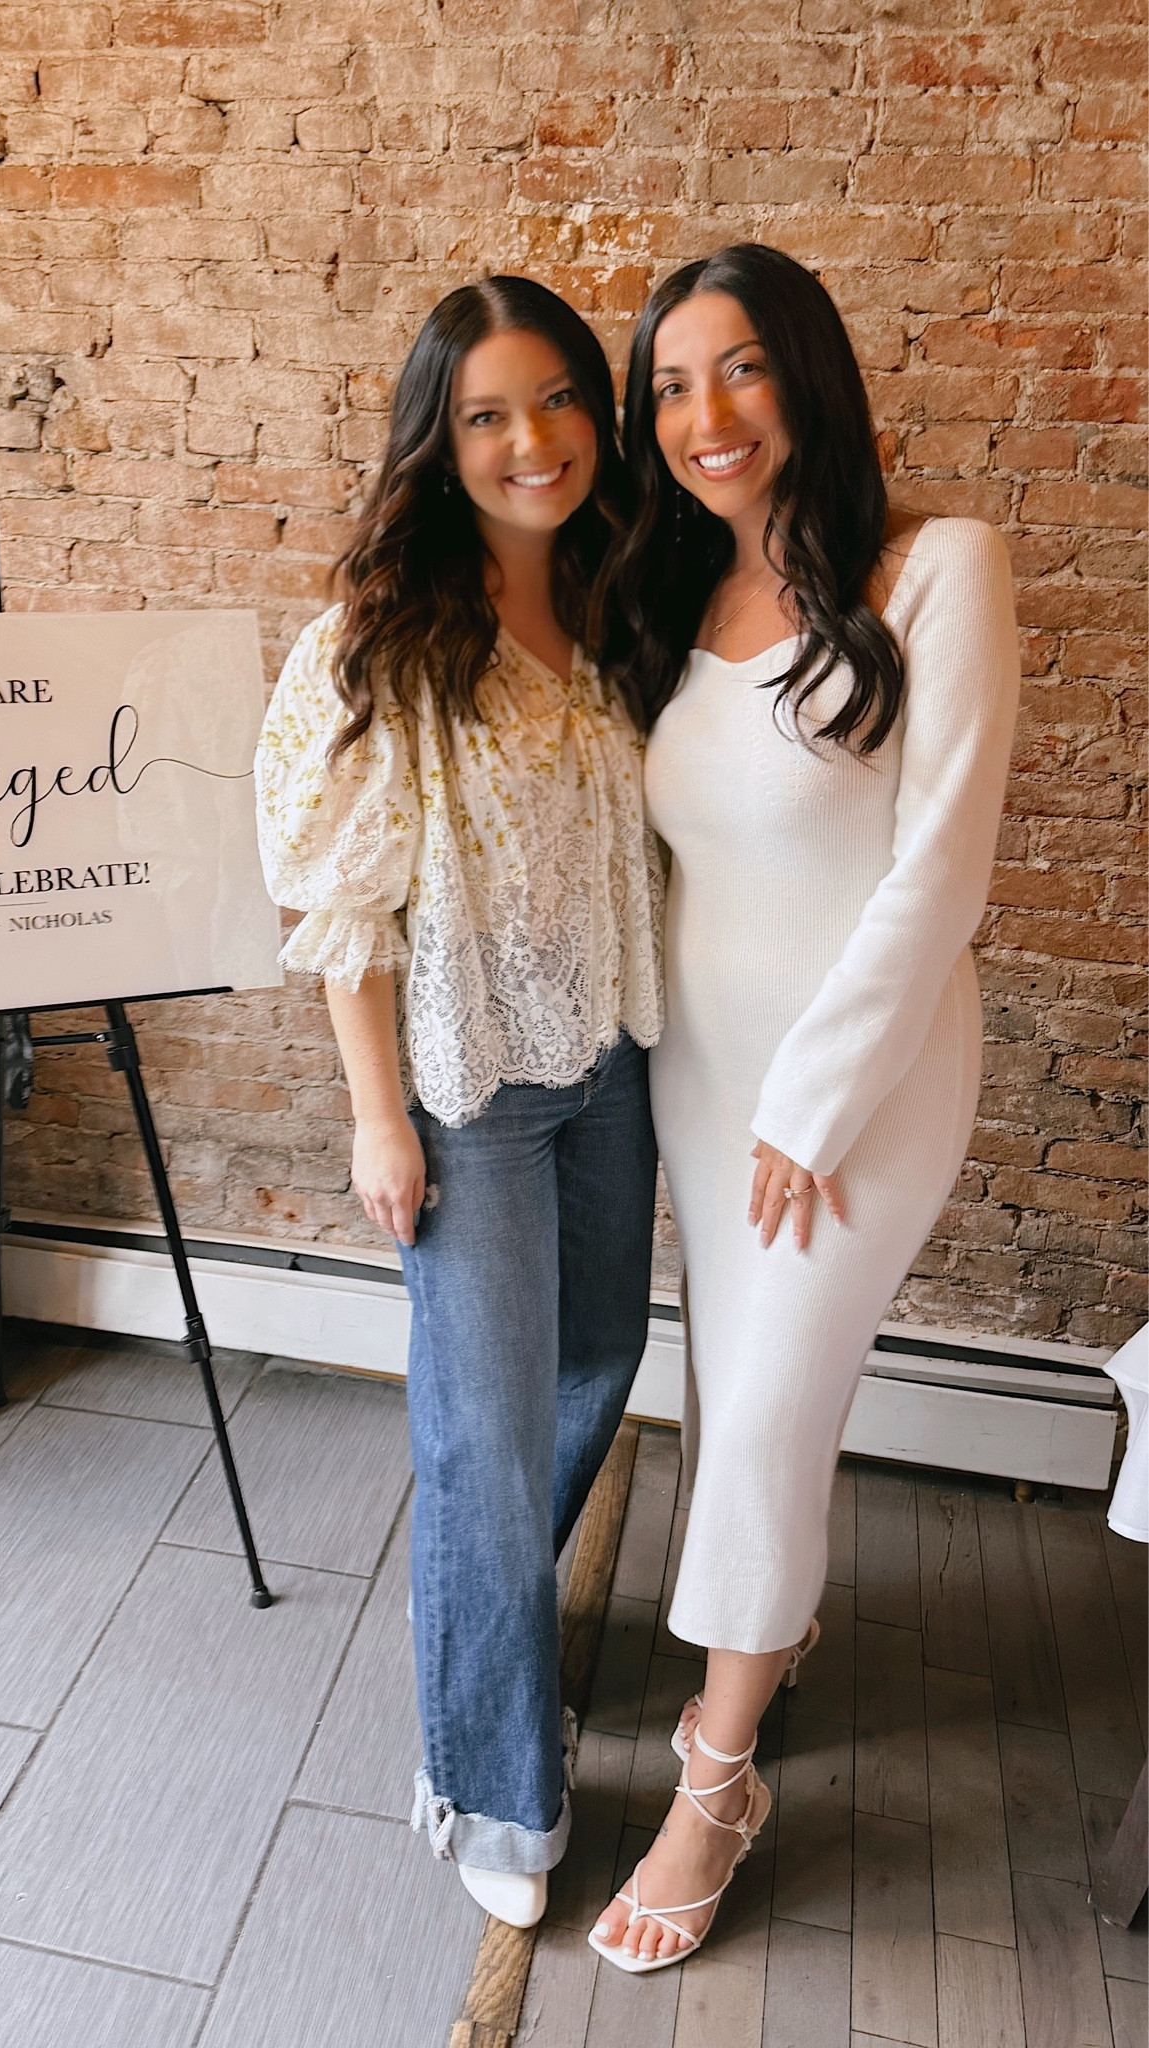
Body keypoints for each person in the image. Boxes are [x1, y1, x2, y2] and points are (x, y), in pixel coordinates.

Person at [584, 242, 1020, 1973]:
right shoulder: (662, 596)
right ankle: (774, 1625)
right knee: (731, 1385)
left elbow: (941, 871)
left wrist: (812, 1107)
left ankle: (716, 1775)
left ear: (810, 376)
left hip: (866, 1079)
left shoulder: (935, 569)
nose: (707, 416)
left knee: (762, 1409)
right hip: (701, 1075)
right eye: (672, 386)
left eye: (741, 368)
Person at [255, 276, 662, 1929]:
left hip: (609, 1063)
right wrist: (376, 1118)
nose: (530, 440)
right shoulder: (376, 638)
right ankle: (487, 1769)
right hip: (465, 1089)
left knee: (596, 1363)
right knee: (481, 1446)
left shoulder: (625, 601)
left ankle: (486, 1636)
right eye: (487, 412)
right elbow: (342, 907)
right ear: (440, 440)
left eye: (557, 399)